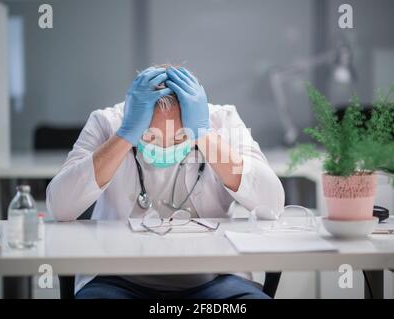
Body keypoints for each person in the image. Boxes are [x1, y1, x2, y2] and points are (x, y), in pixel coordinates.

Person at [46, 65, 285, 299]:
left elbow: (272, 202)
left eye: (180, 137)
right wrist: (124, 136)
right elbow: (60, 206)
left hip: (214, 278)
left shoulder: (221, 121)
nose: (164, 147)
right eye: (149, 136)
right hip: (117, 279)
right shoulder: (107, 122)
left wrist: (204, 134)